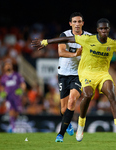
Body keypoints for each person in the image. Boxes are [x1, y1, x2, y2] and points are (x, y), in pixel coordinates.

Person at [32, 18, 116, 142]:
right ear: (97, 30)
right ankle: (80, 127)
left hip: (102, 74)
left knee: (111, 94)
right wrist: (46, 42)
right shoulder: (88, 39)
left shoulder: (113, 43)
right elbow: (66, 39)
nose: (104, 30)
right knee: (85, 97)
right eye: (101, 28)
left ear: (109, 29)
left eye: (106, 28)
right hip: (86, 74)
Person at [49, 12, 92, 142]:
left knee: (73, 100)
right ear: (70, 24)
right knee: (63, 109)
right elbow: (61, 52)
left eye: (79, 21)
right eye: (75, 22)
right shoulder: (65, 35)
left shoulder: (89, 37)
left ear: (83, 23)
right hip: (63, 73)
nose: (77, 24)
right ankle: (67, 123)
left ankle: (60, 134)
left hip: (79, 74)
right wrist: (76, 54)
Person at [0, 59, 26, 132]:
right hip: (8, 97)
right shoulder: (3, 77)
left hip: (16, 97)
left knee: (17, 112)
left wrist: (21, 90)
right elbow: (2, 87)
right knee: (11, 111)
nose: (8, 66)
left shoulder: (17, 75)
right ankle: (13, 127)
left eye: (9, 65)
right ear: (4, 67)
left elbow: (23, 84)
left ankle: (14, 124)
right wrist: (2, 93)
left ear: (12, 66)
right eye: (6, 65)